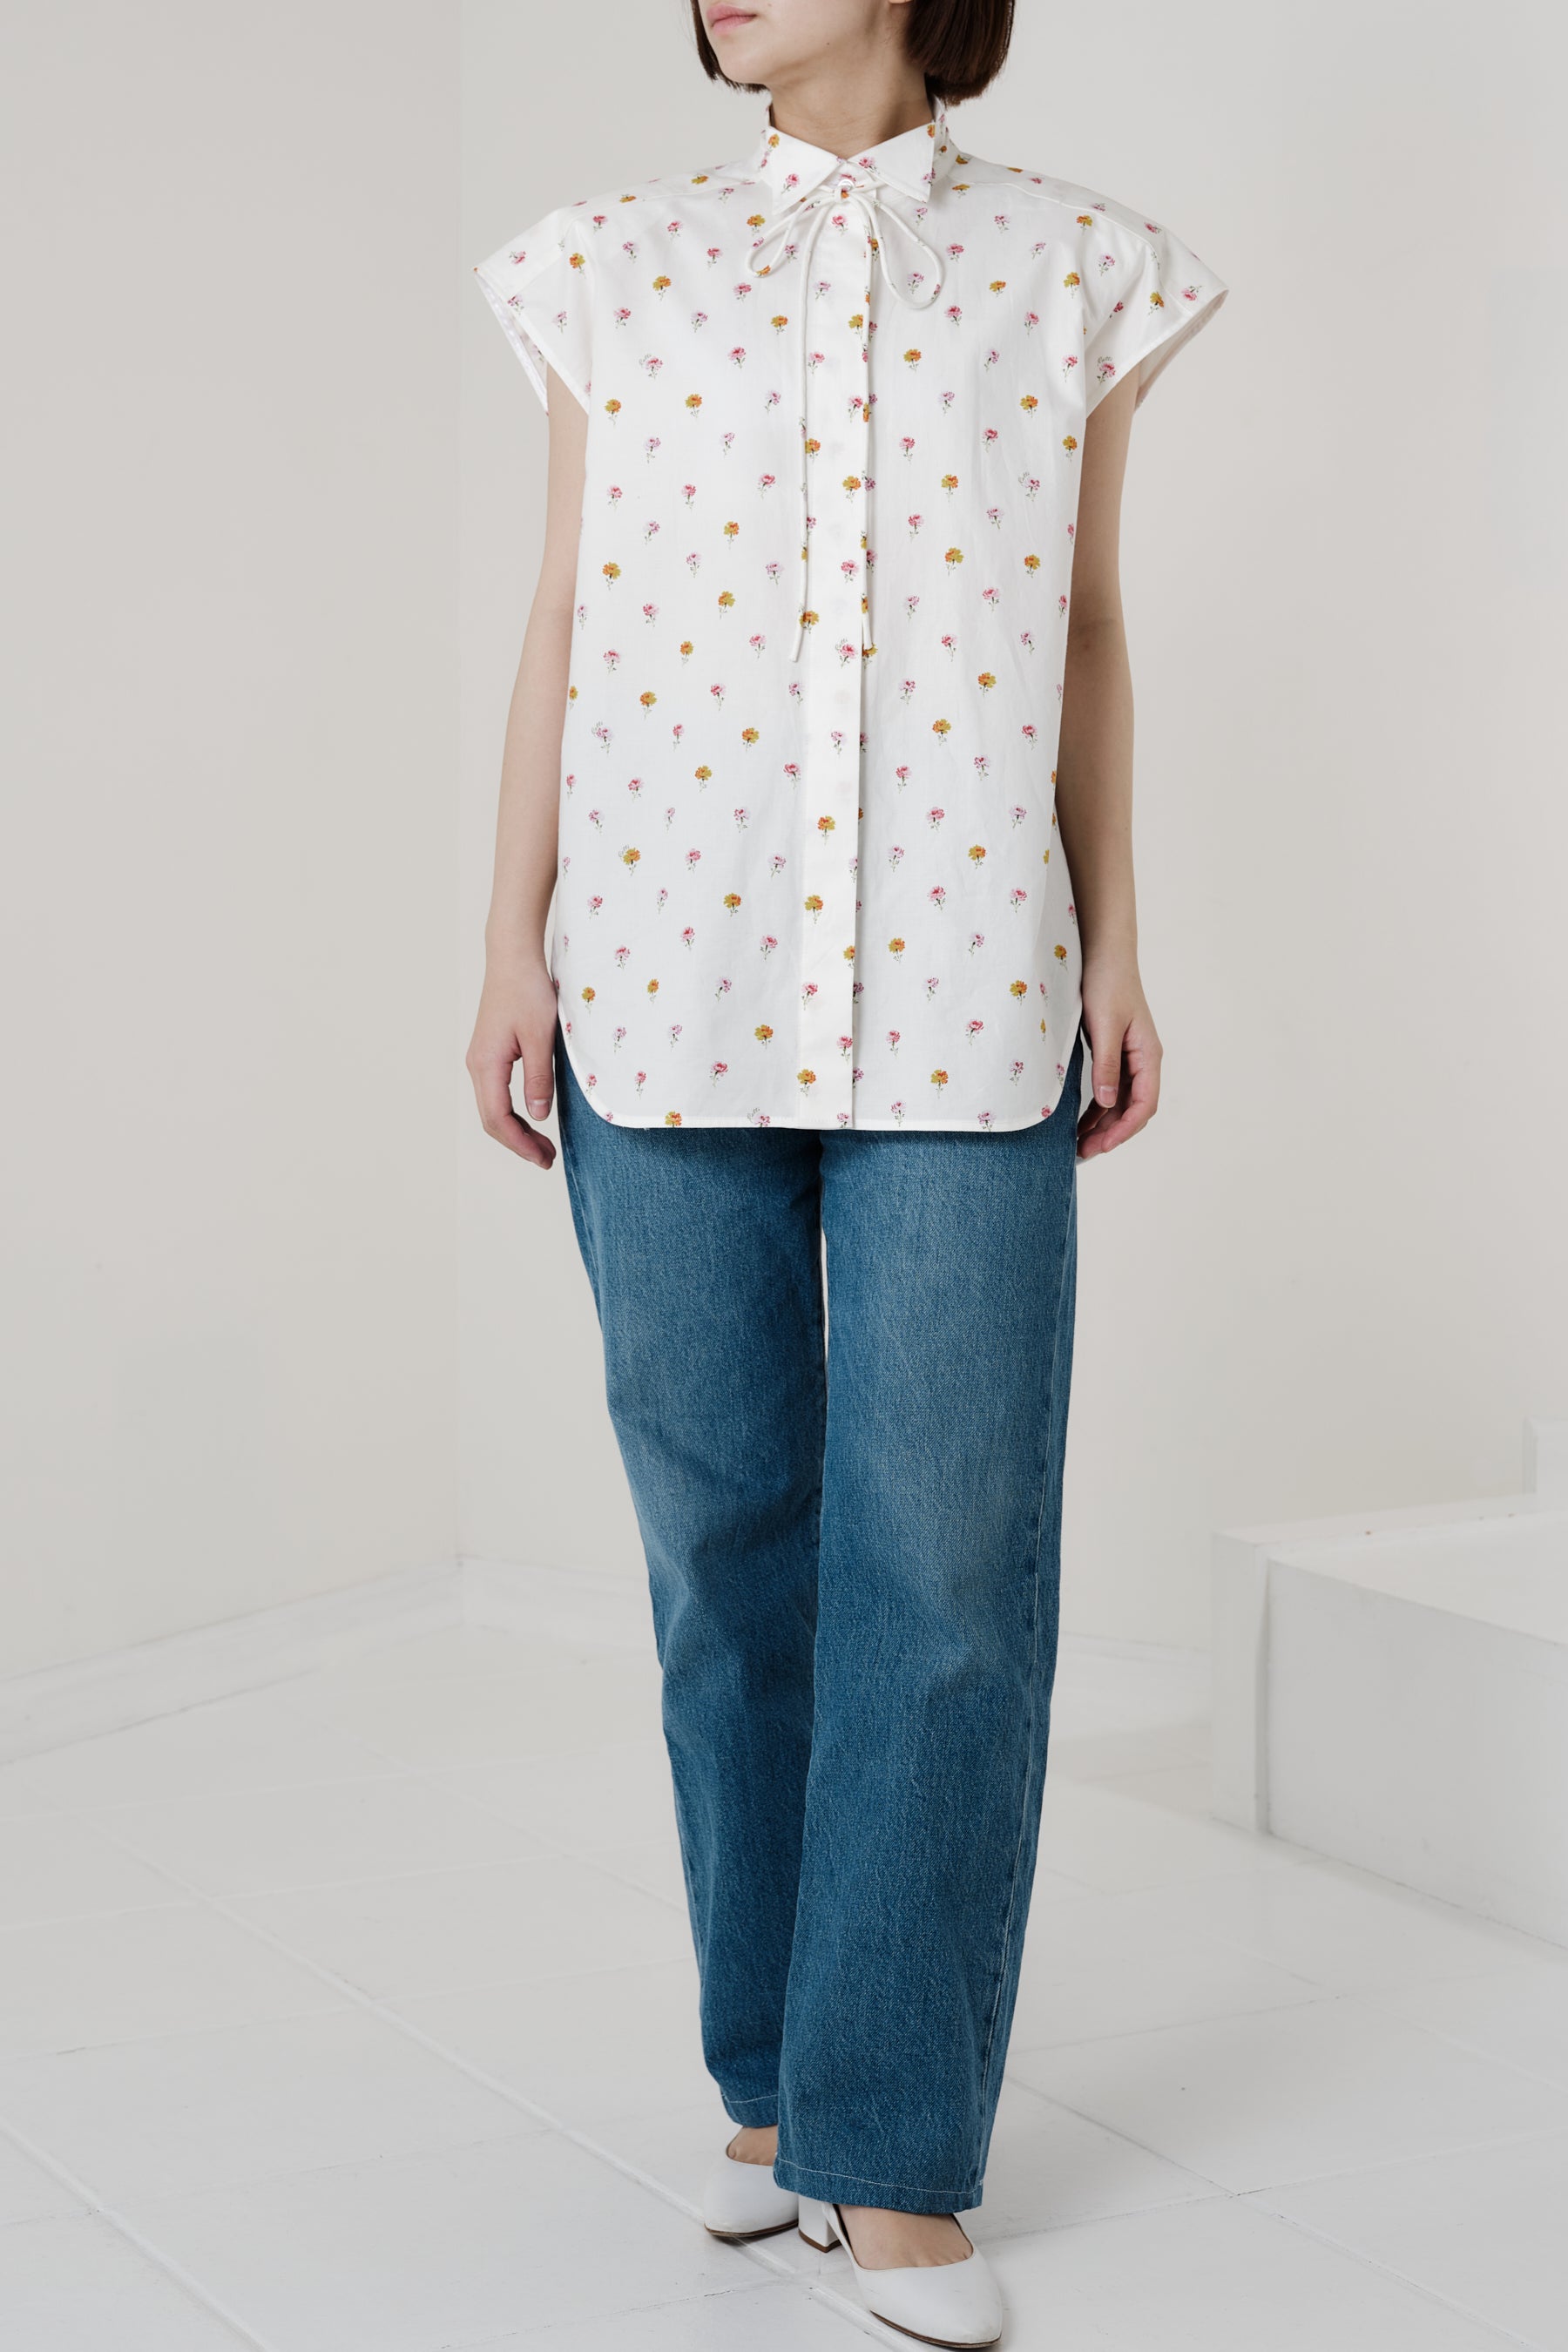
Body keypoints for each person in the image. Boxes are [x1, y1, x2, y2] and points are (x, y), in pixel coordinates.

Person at [469, 0, 1225, 2337]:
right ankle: (772, 2084)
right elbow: (566, 612)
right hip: (659, 980)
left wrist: (1117, 943)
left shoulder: (1081, 268)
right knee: (727, 1554)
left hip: (968, 991)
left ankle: (891, 2153)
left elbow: (1085, 623)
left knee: (952, 1572)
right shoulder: (606, 260)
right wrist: (506, 944)